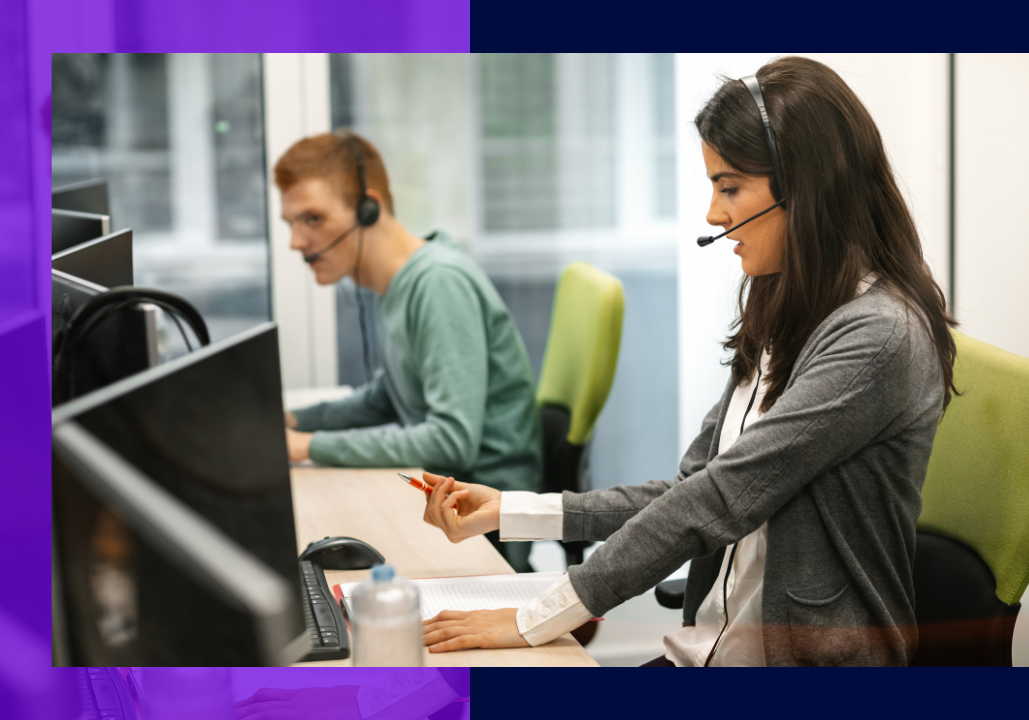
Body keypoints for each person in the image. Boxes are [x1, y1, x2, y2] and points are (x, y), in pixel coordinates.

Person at [415, 57, 958, 666]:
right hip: (706, 657)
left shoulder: (877, 337)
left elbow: (721, 498)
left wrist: (534, 618)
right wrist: (517, 510)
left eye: (729, 187)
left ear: (804, 188)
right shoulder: (784, 306)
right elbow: (691, 488)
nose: (713, 213)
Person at [275, 131, 541, 572]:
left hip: (477, 519)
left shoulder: (437, 284)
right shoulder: (398, 284)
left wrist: (306, 446)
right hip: (440, 495)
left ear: (368, 209)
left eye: (313, 219)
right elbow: (387, 396)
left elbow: (451, 439)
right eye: (291, 223)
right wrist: (293, 422)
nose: (296, 242)